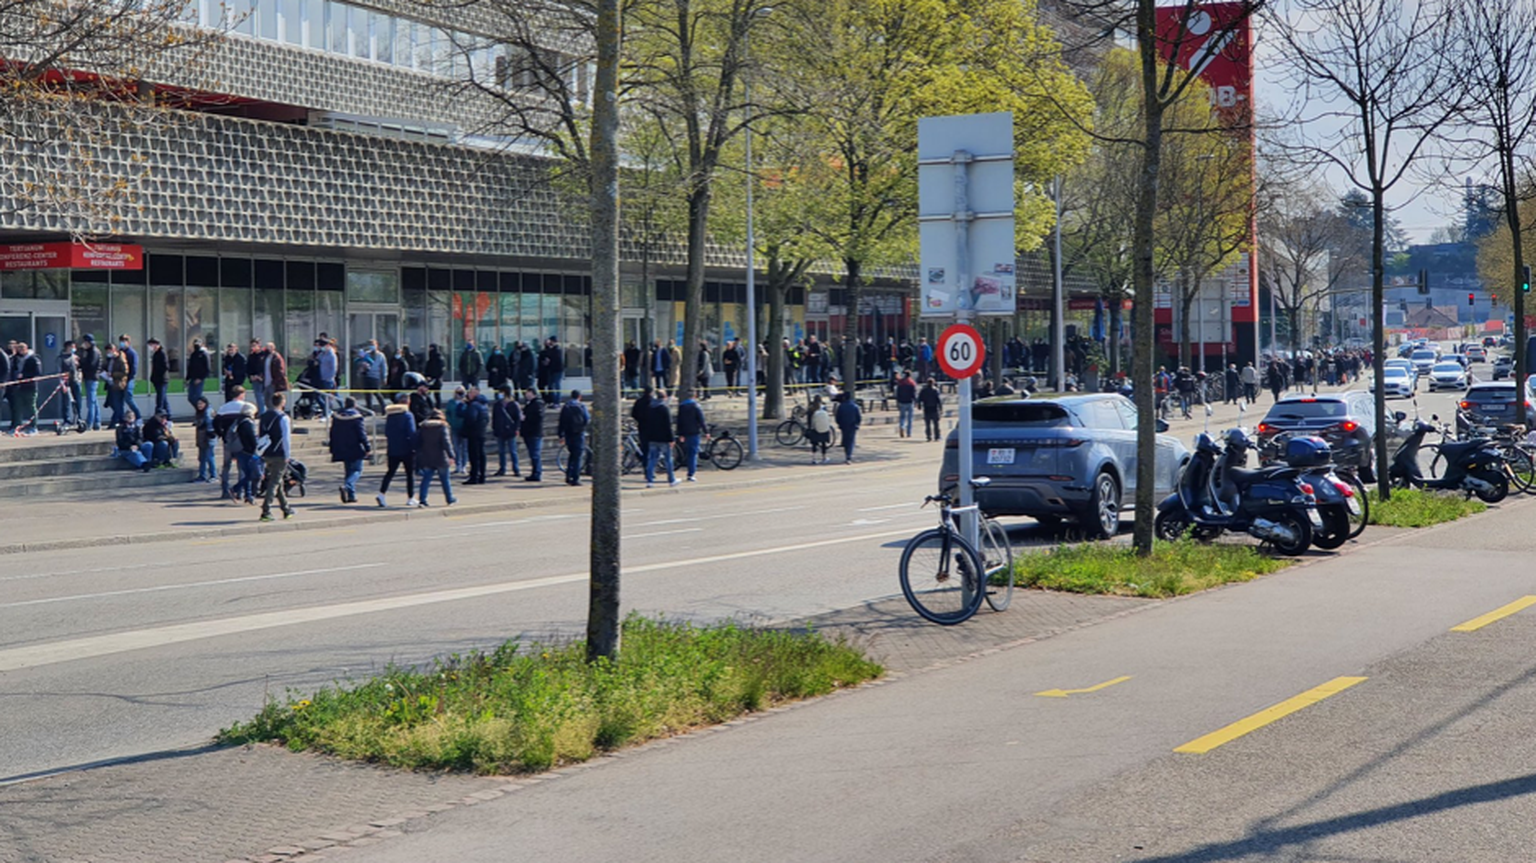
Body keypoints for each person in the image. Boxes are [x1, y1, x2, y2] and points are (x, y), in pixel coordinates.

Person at [258, 393, 294, 522]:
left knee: (277, 481)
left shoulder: (264, 416)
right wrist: (287, 455)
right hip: (279, 453)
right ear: (282, 402)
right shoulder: (283, 417)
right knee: (274, 482)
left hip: (266, 452)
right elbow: (286, 438)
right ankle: (266, 510)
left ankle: (286, 508)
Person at [377, 393, 417, 507]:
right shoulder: (408, 415)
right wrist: (415, 446)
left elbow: (387, 432)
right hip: (407, 448)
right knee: (410, 474)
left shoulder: (391, 416)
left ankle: (381, 494)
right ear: (408, 403)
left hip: (393, 448)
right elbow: (411, 432)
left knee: (390, 472)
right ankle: (410, 497)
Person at [328, 397, 370, 503]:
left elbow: (332, 433)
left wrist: (332, 447)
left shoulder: (337, 416)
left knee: (348, 471)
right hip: (355, 447)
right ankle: (347, 486)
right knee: (357, 470)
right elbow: (361, 434)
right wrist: (367, 447)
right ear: (354, 405)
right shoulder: (356, 417)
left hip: (341, 447)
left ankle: (351, 495)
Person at [416, 408, 456, 506]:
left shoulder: (423, 427)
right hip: (441, 457)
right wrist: (451, 455)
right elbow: (446, 443)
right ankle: (449, 498)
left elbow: (418, 442)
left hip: (427, 456)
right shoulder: (442, 427)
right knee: (445, 479)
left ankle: (422, 499)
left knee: (426, 479)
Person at [641, 389, 680, 488]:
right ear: (664, 397)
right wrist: (671, 439)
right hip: (664, 438)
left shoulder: (650, 408)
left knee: (652, 459)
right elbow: (668, 425)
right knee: (668, 459)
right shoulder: (664, 408)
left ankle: (650, 480)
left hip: (652, 438)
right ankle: (671, 479)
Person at [558, 389, 590, 486]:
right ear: (580, 397)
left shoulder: (566, 406)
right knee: (578, 456)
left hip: (568, 433)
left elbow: (561, 421)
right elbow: (587, 418)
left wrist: (561, 434)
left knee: (571, 455)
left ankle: (568, 475)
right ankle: (575, 478)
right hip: (579, 433)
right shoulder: (582, 406)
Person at [675, 390, 706, 481]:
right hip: (694, 432)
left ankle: (688, 469)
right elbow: (701, 420)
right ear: (695, 395)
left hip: (684, 432)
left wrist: (680, 433)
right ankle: (691, 473)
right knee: (693, 453)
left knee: (688, 452)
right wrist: (706, 431)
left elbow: (679, 421)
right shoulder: (696, 406)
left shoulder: (682, 406)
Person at [463, 385, 490, 484]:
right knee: (481, 455)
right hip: (481, 432)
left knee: (474, 455)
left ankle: (474, 476)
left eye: (470, 392)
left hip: (473, 433)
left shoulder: (473, 405)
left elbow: (470, 418)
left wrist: (466, 428)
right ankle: (482, 475)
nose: (468, 394)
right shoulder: (484, 405)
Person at [492, 386, 522, 477]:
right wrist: (495, 428)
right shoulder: (497, 405)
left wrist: (516, 429)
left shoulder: (514, 404)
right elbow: (495, 418)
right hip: (500, 430)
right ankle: (502, 468)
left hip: (510, 431)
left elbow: (517, 419)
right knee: (501, 451)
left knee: (513, 451)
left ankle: (516, 469)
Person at [12, 342, 40, 433]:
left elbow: (38, 372)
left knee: (31, 406)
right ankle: (17, 426)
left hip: (30, 387)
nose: (20, 352)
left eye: (22, 350)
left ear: (26, 349)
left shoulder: (33, 359)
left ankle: (33, 426)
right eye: (19, 350)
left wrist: (24, 375)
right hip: (19, 387)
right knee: (17, 407)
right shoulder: (16, 359)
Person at [520, 387, 545, 482]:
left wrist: (525, 418)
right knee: (532, 454)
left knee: (535, 454)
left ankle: (537, 473)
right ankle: (535, 472)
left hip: (534, 432)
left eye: (527, 393)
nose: (526, 395)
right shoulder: (530, 404)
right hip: (529, 432)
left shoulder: (538, 404)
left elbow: (538, 417)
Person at [79, 334, 101, 431]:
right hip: (91, 377)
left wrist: (81, 362)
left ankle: (90, 423)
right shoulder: (90, 351)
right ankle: (97, 422)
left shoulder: (93, 352)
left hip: (92, 378)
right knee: (94, 401)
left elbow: (91, 365)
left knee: (91, 402)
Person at [192, 397, 216, 483]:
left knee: (210, 457)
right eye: (198, 404)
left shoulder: (208, 412)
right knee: (202, 458)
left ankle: (213, 475)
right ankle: (202, 475)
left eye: (201, 403)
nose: (199, 405)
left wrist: (211, 433)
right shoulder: (199, 413)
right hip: (201, 438)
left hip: (209, 438)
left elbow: (210, 423)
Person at [118, 335, 142, 422]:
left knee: (128, 398)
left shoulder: (132, 353)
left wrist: (129, 378)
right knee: (119, 399)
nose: (122, 343)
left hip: (129, 379)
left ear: (129, 342)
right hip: (120, 379)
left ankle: (138, 416)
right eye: (121, 341)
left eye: (124, 341)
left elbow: (134, 367)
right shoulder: (120, 352)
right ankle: (122, 419)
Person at [445, 386, 469, 475]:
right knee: (456, 447)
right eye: (458, 392)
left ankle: (464, 465)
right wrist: (450, 422)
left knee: (465, 448)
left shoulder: (467, 402)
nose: (460, 394)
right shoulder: (451, 402)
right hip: (454, 427)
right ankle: (457, 465)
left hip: (464, 428)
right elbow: (448, 413)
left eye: (461, 392)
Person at [834, 392, 862, 464]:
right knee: (851, 440)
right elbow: (858, 417)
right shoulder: (854, 406)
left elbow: (837, 417)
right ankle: (849, 456)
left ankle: (847, 454)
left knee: (846, 439)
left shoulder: (841, 406)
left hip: (844, 425)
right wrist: (857, 424)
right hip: (852, 425)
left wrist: (839, 423)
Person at [58, 339, 81, 428]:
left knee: (77, 400)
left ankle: (78, 418)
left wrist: (79, 378)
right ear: (67, 347)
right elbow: (59, 372)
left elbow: (79, 369)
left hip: (75, 381)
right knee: (66, 401)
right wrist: (62, 384)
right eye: (72, 347)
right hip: (66, 382)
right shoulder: (61, 358)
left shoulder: (75, 357)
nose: (74, 348)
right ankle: (66, 419)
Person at [314, 337, 338, 418]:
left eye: (322, 346)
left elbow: (333, 368)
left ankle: (328, 412)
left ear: (328, 345)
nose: (321, 347)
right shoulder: (323, 354)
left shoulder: (332, 355)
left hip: (328, 379)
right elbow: (317, 359)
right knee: (318, 396)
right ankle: (326, 411)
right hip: (322, 378)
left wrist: (330, 377)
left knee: (327, 397)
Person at [185, 339, 211, 411]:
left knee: (198, 397)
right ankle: (200, 410)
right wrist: (187, 378)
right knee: (190, 397)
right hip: (193, 378)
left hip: (200, 379)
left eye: (198, 344)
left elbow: (207, 369)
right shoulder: (193, 354)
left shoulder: (204, 354)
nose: (196, 345)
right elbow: (190, 367)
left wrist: (200, 378)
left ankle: (206, 410)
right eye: (195, 344)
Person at [806, 396, 832, 464]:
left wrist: (810, 427)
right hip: (823, 428)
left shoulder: (811, 408)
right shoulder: (824, 408)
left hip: (814, 428)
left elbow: (809, 419)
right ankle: (824, 457)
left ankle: (813, 458)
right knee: (823, 443)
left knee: (814, 444)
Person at [540, 336, 565, 405]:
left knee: (556, 385)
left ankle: (557, 401)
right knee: (551, 386)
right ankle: (553, 400)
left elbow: (556, 361)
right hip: (552, 371)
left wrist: (548, 362)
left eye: (550, 341)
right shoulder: (552, 350)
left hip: (557, 371)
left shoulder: (557, 350)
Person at [894, 371, 917, 438]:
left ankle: (902, 426)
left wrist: (897, 401)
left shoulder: (900, 383)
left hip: (902, 401)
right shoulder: (912, 383)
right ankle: (909, 433)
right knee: (910, 418)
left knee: (902, 417)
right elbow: (914, 394)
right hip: (909, 402)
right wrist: (915, 401)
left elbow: (898, 393)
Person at [424, 343, 446, 407]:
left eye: (432, 348)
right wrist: (427, 376)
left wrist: (435, 378)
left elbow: (441, 370)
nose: (430, 350)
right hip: (429, 380)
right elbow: (427, 368)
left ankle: (438, 408)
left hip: (437, 380)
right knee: (427, 394)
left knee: (437, 395)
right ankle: (429, 406)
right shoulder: (430, 359)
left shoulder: (440, 359)